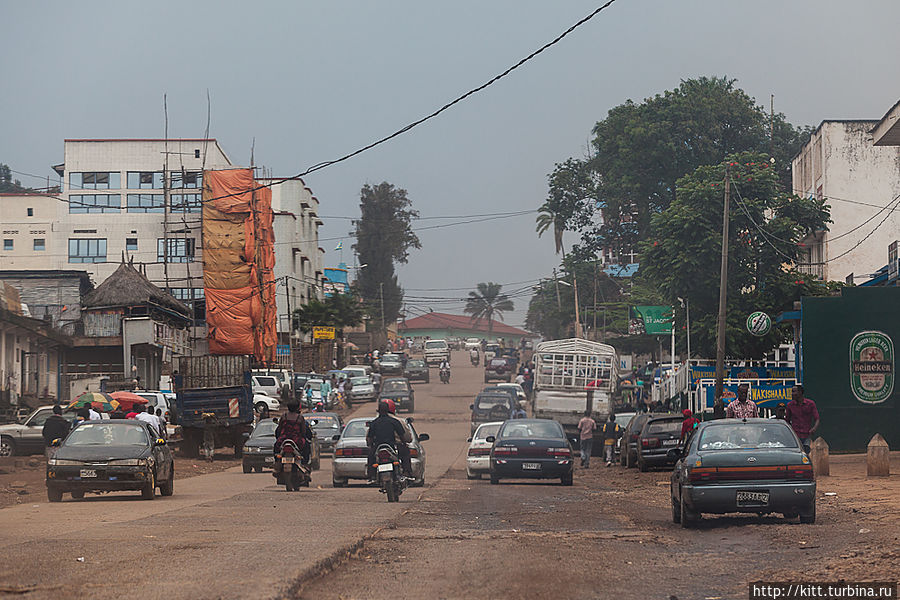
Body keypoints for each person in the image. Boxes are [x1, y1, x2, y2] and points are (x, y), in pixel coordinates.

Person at [367, 400, 413, 479]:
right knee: (406, 453)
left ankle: (372, 475)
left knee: (371, 457)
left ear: (379, 410)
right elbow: (402, 435)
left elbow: (370, 437)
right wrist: (404, 444)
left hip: (378, 446)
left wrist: (371, 446)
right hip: (393, 445)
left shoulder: (374, 423)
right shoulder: (395, 421)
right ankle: (407, 472)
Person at [274, 401, 313, 465]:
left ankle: (276, 462)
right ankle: (305, 464)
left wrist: (279, 437)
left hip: (283, 438)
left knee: (276, 446)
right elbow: (303, 431)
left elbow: (279, 429)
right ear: (297, 408)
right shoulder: (300, 418)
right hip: (296, 439)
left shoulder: (284, 416)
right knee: (307, 446)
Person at [785, 384, 819, 454]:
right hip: (795, 435)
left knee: (806, 451)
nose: (792, 394)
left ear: (800, 392)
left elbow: (817, 418)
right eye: (792, 391)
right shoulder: (790, 405)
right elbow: (787, 420)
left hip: (807, 434)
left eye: (794, 391)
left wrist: (814, 428)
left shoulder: (810, 404)